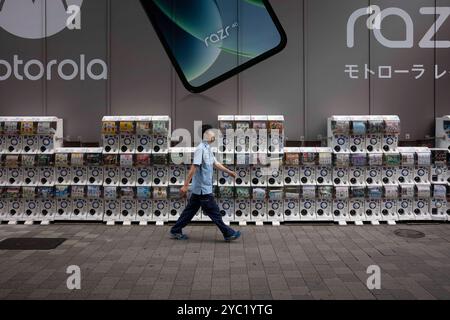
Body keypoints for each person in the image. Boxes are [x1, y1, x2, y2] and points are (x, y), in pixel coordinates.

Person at [170, 125, 241, 241]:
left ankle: (175, 230)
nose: (214, 135)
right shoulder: (200, 149)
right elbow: (193, 168)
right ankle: (228, 233)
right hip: (203, 189)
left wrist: (229, 172)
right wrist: (185, 185)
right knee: (215, 213)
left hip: (201, 189)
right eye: (212, 133)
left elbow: (216, 163)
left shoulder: (207, 148)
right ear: (206, 134)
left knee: (189, 212)